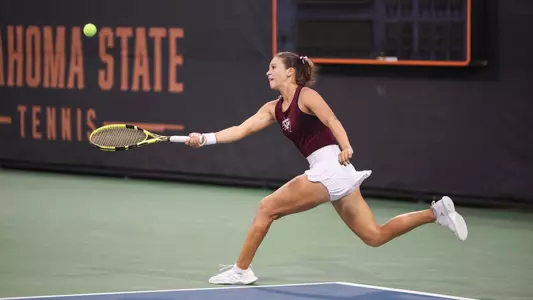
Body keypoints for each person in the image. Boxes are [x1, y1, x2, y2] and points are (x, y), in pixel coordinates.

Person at [184, 51, 468, 285]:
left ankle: (241, 270)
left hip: (331, 167)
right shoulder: (273, 108)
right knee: (374, 236)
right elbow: (240, 129)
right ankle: (435, 213)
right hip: (337, 173)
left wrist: (346, 146)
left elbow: (331, 119)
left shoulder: (306, 96)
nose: (268, 72)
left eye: (273, 67)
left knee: (266, 208)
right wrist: (205, 139)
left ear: (290, 72)